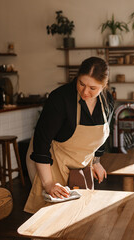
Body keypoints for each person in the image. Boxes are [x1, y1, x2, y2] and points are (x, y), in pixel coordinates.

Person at [24, 57, 114, 213]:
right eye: (81, 83)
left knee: (77, 215)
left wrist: (97, 161)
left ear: (104, 86)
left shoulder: (107, 101)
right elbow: (41, 143)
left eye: (92, 88)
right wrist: (49, 183)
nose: (85, 92)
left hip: (80, 165)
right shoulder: (61, 98)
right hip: (49, 162)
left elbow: (101, 137)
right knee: (50, 216)